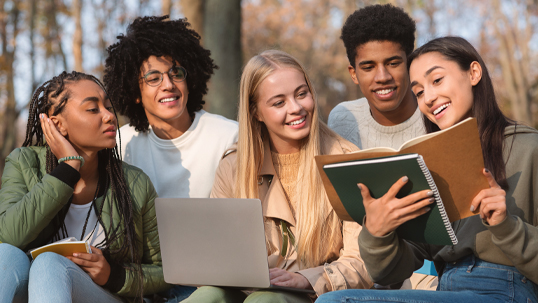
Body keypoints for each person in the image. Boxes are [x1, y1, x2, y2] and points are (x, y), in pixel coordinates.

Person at [316, 36, 538, 303]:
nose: (429, 98)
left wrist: (506, 226)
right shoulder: (431, 162)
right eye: (419, 91)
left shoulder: (529, 148)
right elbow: (391, 274)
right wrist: (378, 234)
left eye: (437, 81)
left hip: (507, 291)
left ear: (474, 73)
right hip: (444, 291)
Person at [181, 50, 373, 303]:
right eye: (279, 102)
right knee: (205, 296)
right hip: (249, 290)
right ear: (256, 112)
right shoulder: (233, 167)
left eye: (301, 94)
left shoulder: (347, 161)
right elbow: (221, 252)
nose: (296, 108)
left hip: (314, 293)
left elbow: (363, 261)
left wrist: (307, 278)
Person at [0, 71, 169, 303]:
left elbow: (164, 271)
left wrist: (114, 275)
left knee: (50, 263)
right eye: (93, 109)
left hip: (104, 296)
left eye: (108, 107)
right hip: (36, 291)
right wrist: (67, 170)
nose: (109, 116)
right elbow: (8, 236)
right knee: (5, 254)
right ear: (57, 124)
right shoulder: (24, 163)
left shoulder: (134, 183)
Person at [328, 3, 436, 288]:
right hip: (364, 263)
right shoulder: (342, 119)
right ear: (353, 73)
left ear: (410, 62)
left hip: (428, 268)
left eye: (393, 62)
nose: (382, 77)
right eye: (368, 66)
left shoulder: (437, 113)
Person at [104, 15, 238, 199]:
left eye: (176, 74)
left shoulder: (228, 137)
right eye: (153, 78)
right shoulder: (123, 145)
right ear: (135, 93)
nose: (168, 84)